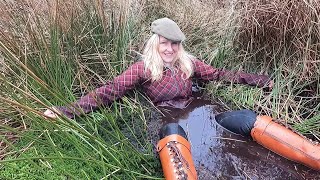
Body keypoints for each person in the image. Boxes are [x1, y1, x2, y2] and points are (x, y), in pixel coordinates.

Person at [44, 17, 319, 176]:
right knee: (173, 132)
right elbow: (109, 92)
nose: (169, 48)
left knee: (247, 119)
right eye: (164, 43)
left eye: (174, 43)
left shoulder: (189, 63)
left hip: (204, 114)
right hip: (170, 122)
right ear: (156, 44)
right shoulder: (142, 68)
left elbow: (219, 74)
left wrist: (258, 81)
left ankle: (313, 156)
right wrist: (66, 111)